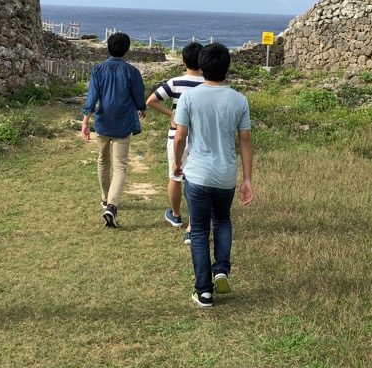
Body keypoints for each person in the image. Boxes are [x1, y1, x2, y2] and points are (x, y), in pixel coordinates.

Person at [173, 42, 254, 308]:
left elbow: (181, 136)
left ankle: (204, 292)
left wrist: (177, 163)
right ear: (226, 67)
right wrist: (247, 179)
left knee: (198, 231)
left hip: (197, 174)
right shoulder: (239, 100)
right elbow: (245, 141)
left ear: (202, 66)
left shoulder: (190, 98)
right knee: (222, 220)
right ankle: (221, 269)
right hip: (225, 176)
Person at [82, 32, 147, 228]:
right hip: (123, 124)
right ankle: (112, 205)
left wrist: (85, 121)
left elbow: (92, 96)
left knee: (103, 161)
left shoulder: (98, 69)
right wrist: (141, 108)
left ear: (108, 48)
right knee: (120, 166)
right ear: (127, 50)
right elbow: (139, 94)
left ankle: (105, 198)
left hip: (103, 122)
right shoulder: (132, 71)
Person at [147, 41, 205, 243]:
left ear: (183, 61)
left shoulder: (175, 82)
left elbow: (151, 101)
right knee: (196, 181)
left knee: (175, 177)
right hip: (200, 139)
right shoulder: (208, 84)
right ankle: (192, 226)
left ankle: (176, 215)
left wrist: (171, 114)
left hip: (176, 135)